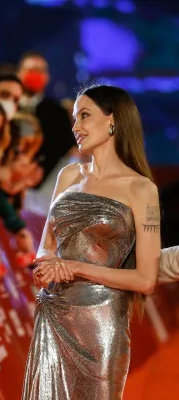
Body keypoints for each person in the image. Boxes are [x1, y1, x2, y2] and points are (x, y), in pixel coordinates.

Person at [24, 85, 160, 399]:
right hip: (54, 315)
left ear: (113, 121)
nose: (76, 127)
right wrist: (47, 264)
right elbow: (45, 245)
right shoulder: (68, 175)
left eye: (84, 116)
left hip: (101, 328)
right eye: (74, 118)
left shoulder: (143, 190)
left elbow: (145, 279)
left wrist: (75, 268)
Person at [18, 51, 75, 185]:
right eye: (31, 70)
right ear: (20, 73)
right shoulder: (9, 106)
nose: (35, 75)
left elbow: (63, 150)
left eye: (40, 71)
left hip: (43, 185)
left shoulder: (58, 113)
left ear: (47, 77)